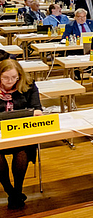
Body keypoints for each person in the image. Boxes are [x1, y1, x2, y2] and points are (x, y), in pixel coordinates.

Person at [0, 59, 43, 210]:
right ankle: (10, 191)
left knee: (21, 152)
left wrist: (34, 113)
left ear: (19, 76)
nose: (10, 81)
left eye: (14, 78)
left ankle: (17, 190)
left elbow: (37, 110)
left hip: (21, 132)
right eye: (5, 78)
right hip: (0, 134)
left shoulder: (29, 85)